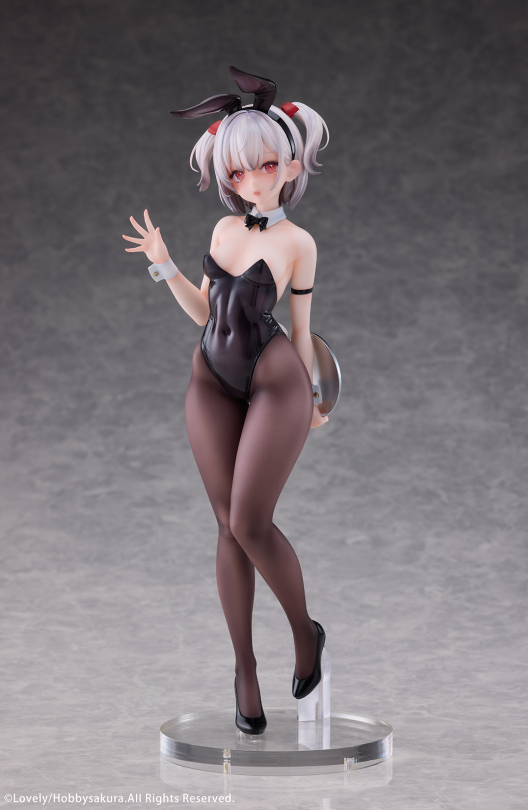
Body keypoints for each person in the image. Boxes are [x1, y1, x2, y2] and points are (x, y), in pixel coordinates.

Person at [123, 67, 329, 735]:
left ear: (289, 165)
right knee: (225, 525)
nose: (251, 181)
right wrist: (164, 263)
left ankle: (304, 632)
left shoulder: (298, 244)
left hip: (275, 378)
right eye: (237, 171)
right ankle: (245, 669)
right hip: (210, 376)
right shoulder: (221, 231)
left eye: (264, 166)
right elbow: (204, 313)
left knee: (250, 520)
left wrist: (314, 395)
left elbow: (301, 330)